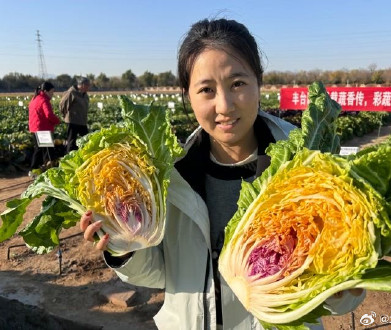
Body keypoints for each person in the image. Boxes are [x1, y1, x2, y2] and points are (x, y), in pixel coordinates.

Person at [80, 18, 365, 330]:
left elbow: (338, 297)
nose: (225, 105)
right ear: (188, 95)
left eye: (238, 84)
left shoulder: (307, 169)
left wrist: (346, 283)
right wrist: (122, 248)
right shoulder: (169, 175)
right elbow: (162, 274)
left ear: (259, 83)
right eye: (206, 89)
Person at [28, 81, 60, 175]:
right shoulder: (44, 100)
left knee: (42, 149)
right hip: (43, 129)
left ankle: (42, 168)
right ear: (45, 91)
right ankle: (35, 169)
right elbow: (49, 114)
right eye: (51, 92)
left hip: (35, 127)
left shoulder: (35, 99)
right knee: (47, 150)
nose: (52, 95)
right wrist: (57, 121)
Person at [59, 76, 90, 153]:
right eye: (87, 85)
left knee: (87, 138)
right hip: (73, 121)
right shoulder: (71, 93)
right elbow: (62, 105)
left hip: (82, 121)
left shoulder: (85, 95)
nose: (88, 87)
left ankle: (86, 153)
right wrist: (65, 116)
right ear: (82, 85)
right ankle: (68, 156)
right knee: (71, 140)